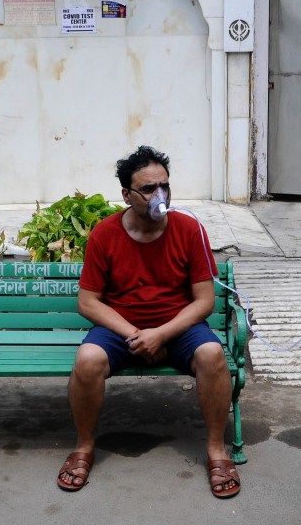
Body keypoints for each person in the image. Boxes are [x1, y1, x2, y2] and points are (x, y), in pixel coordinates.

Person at [56, 145, 241, 499]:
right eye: (149, 189)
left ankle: (218, 451)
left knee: (213, 356)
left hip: (178, 328)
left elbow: (204, 301)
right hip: (121, 330)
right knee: (87, 360)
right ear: (126, 195)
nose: (160, 196)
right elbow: (88, 302)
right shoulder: (104, 234)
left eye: (165, 187)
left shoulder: (190, 230)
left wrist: (162, 334)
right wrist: (136, 335)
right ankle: (83, 447)